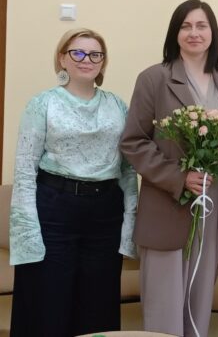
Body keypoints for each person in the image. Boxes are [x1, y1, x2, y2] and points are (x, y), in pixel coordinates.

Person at [120, 0, 218, 337]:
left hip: (213, 204)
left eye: (201, 26)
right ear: (175, 33)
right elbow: (133, 142)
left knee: (200, 302)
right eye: (186, 26)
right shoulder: (154, 78)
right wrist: (179, 177)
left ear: (212, 32)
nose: (194, 33)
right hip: (167, 204)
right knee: (165, 307)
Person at [9, 28, 137, 337]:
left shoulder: (117, 105)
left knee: (98, 301)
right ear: (62, 59)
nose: (86, 59)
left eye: (95, 54)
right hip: (55, 208)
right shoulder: (43, 103)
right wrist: (27, 230)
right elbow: (25, 169)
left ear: (103, 62)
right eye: (77, 52)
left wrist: (130, 221)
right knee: (50, 300)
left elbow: (128, 170)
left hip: (105, 212)